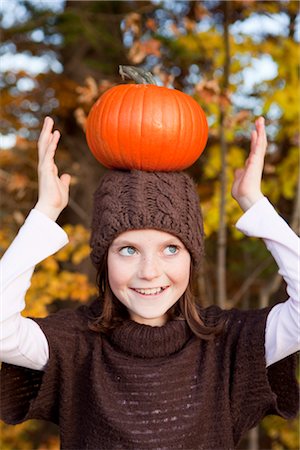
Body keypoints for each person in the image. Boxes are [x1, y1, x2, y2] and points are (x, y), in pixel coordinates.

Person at [0, 116, 299, 450]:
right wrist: (44, 214)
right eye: (128, 250)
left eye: (170, 249)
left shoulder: (229, 344)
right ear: (104, 259)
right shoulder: (75, 345)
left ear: (192, 257)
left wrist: (255, 204)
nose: (150, 271)